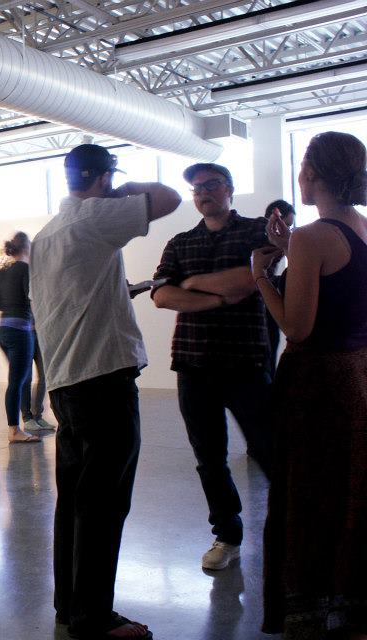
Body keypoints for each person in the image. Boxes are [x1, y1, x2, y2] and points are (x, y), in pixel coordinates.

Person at [30, 143, 181, 640]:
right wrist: (123, 188)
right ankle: (94, 617)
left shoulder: (47, 234)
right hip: (103, 381)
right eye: (110, 178)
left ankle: (70, 606)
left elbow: (70, 297)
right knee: (104, 503)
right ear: (101, 178)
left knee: (75, 501)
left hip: (67, 382)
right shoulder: (95, 217)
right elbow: (170, 197)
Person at [253, 131, 367, 638]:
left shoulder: (313, 237)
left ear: (313, 174)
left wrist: (262, 277)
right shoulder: (359, 227)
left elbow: (297, 328)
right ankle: (351, 605)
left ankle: (314, 612)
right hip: (356, 377)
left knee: (311, 496)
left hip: (318, 387)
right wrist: (291, 248)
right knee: (349, 492)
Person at [151, 162, 273, 572]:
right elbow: (161, 296)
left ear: (229, 188)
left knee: (271, 450)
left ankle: (296, 528)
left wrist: (191, 283)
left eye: (211, 184)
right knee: (210, 458)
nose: (202, 192)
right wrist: (218, 298)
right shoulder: (180, 242)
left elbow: (251, 279)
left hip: (246, 361)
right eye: (196, 188)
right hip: (194, 364)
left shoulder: (257, 231)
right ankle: (227, 535)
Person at [0, 232, 41, 444]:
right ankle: (14, 431)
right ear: (26, 247)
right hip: (20, 330)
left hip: (3, 330)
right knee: (17, 382)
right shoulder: (25, 269)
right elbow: (32, 299)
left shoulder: (2, 272)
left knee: (17, 379)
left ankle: (17, 427)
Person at [262, 200, 296, 377]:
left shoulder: (280, 243)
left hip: (269, 304)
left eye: (290, 226)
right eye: (286, 225)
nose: (287, 231)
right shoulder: (261, 241)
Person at [22, 331, 54, 433]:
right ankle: (27, 418)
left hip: (40, 333)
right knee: (27, 378)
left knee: (43, 376)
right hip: (25, 332)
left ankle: (38, 417)